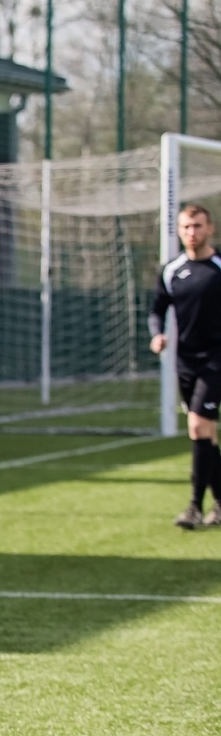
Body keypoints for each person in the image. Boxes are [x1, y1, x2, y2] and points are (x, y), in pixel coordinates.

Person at [149, 203, 221, 529]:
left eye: (198, 226)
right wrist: (157, 334)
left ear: (210, 229)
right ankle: (220, 506)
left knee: (196, 425)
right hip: (185, 362)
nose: (192, 233)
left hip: (217, 360)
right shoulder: (171, 271)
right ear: (179, 231)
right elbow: (156, 309)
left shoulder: (219, 267)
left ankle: (194, 507)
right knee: (206, 434)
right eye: (186, 227)